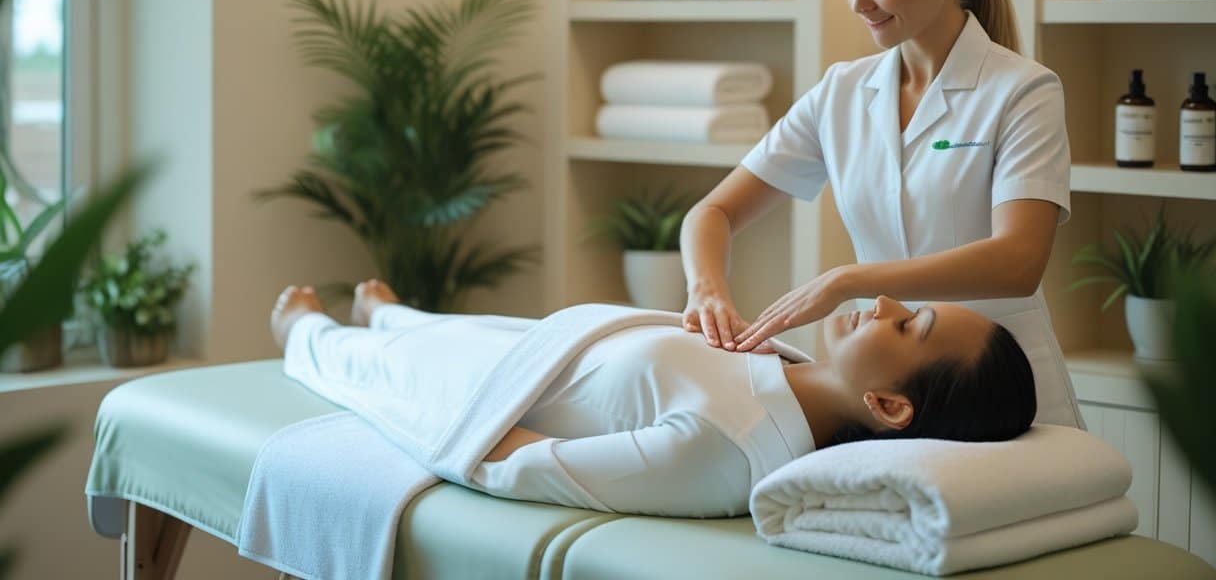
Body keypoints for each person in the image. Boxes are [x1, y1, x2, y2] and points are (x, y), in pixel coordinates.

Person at [680, 0, 1082, 428]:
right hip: (885, 397)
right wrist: (707, 289)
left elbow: (1018, 261)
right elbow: (714, 211)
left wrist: (850, 280)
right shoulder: (842, 91)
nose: (858, 3)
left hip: (998, 393)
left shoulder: (1022, 90)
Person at [269, 279, 1037, 518]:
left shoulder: (726, 447)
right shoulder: (782, 360)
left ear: (890, 407)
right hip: (536, 348)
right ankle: (401, 316)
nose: (886, 301)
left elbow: (533, 466)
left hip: (481, 391)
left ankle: (315, 332)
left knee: (384, 359)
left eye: (910, 326)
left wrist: (448, 410)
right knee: (449, 330)